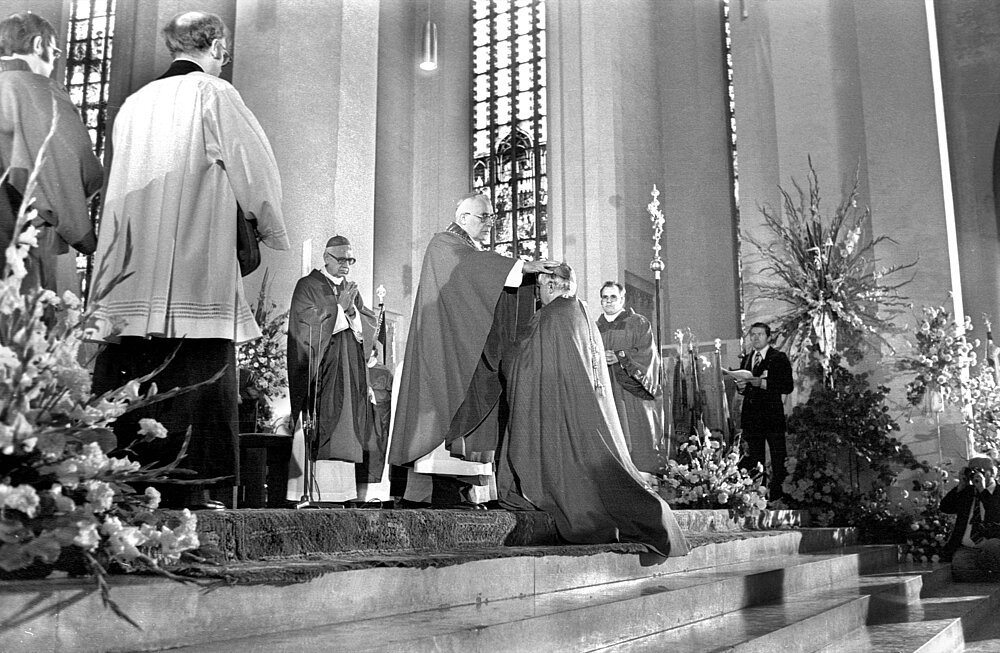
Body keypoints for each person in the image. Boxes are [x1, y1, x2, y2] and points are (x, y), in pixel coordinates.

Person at [90, 11, 288, 509]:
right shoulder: (214, 94)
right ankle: (195, 490)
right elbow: (254, 167)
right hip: (192, 261)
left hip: (129, 271)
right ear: (217, 45)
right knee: (197, 370)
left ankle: (124, 487)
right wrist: (267, 226)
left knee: (133, 371)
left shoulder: (134, 104)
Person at [499, 263, 688, 557]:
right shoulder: (583, 313)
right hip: (588, 406)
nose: (537, 295)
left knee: (577, 485)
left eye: (538, 288)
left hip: (563, 409)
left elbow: (524, 363)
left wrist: (506, 355)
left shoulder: (550, 317)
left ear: (550, 285)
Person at [388, 192, 558, 507]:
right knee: (440, 413)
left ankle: (458, 488)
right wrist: (523, 265)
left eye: (493, 218)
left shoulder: (471, 250)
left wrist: (526, 278)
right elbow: (473, 269)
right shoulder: (444, 243)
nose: (490, 224)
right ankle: (434, 493)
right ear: (463, 217)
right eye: (485, 217)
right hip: (442, 347)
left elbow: (483, 279)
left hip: (461, 345)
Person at [0, 11, 103, 291]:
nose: (56, 58)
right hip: (31, 230)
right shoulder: (40, 89)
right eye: (54, 50)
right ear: (37, 45)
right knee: (35, 323)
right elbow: (79, 160)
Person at [286, 235, 383, 502]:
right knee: (324, 423)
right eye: (341, 259)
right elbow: (304, 325)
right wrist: (338, 310)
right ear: (326, 257)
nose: (347, 265)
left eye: (350, 260)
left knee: (348, 425)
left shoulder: (351, 288)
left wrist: (352, 314)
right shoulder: (308, 285)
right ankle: (312, 493)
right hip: (322, 372)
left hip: (348, 369)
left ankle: (342, 493)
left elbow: (366, 322)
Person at [596, 281, 663, 473]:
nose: (608, 301)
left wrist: (620, 357)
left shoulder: (638, 323)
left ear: (622, 299)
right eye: (605, 297)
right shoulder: (594, 328)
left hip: (630, 392)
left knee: (634, 434)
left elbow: (646, 354)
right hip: (605, 392)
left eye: (613, 297)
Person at [734, 322, 793, 502]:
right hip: (752, 417)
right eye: (753, 335)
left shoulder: (778, 357)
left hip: (771, 416)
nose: (756, 338)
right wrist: (741, 387)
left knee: (777, 456)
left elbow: (787, 386)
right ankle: (757, 497)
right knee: (755, 459)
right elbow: (745, 389)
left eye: (760, 334)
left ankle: (779, 496)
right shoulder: (746, 359)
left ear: (768, 337)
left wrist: (764, 383)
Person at [940, 455, 1000, 581]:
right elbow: (945, 508)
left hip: (993, 544)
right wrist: (960, 486)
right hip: (968, 548)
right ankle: (991, 578)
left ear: (993, 473)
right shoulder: (966, 491)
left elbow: (995, 511)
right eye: (971, 471)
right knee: (961, 568)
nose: (975, 475)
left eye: (980, 470)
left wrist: (983, 490)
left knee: (993, 546)